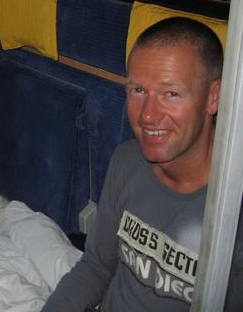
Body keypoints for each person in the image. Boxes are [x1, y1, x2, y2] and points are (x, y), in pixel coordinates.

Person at [42, 16, 228, 311]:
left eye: (171, 93)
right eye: (138, 90)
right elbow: (97, 267)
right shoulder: (127, 159)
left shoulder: (232, 209)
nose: (147, 116)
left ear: (213, 97)